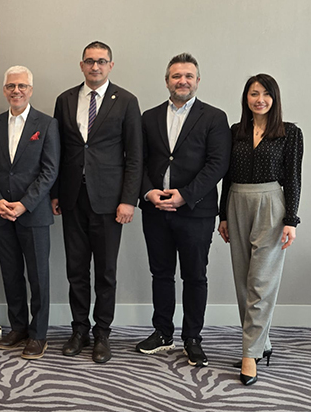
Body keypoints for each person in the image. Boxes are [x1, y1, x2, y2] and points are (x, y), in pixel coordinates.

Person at [136, 53, 231, 367]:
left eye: (189, 76)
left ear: (198, 81)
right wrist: (148, 192)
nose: (183, 81)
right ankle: (163, 333)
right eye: (176, 76)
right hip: (155, 209)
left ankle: (192, 338)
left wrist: (185, 196)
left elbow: (217, 164)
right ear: (167, 81)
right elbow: (138, 160)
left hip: (196, 211)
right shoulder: (148, 117)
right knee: (161, 274)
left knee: (194, 276)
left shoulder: (214, 117)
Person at [50, 41, 142, 363]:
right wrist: (55, 193)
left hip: (109, 202)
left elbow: (135, 156)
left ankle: (102, 333)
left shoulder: (126, 101)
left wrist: (128, 200)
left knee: (105, 272)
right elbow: (58, 151)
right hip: (73, 198)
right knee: (76, 270)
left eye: (101, 61)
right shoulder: (65, 100)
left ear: (111, 66)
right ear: (81, 65)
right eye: (89, 61)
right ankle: (79, 330)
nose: (95, 66)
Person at [217, 74, 303, 385]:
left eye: (266, 94)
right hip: (237, 201)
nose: (260, 99)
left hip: (271, 205)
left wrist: (291, 219)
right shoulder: (235, 132)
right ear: (246, 98)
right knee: (243, 281)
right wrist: (223, 215)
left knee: (261, 282)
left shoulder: (290, 133)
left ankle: (249, 354)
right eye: (254, 93)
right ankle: (260, 343)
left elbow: (293, 178)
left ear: (274, 98)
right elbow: (226, 177)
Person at [0, 65, 60, 360]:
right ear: (4, 90)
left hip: (33, 214)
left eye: (22, 86)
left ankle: (38, 334)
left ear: (30, 90)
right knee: (11, 274)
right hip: (1, 214)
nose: (16, 91)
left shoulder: (47, 124)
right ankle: (18, 328)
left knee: (38, 276)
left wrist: (24, 204)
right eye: (11, 86)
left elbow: (50, 171)